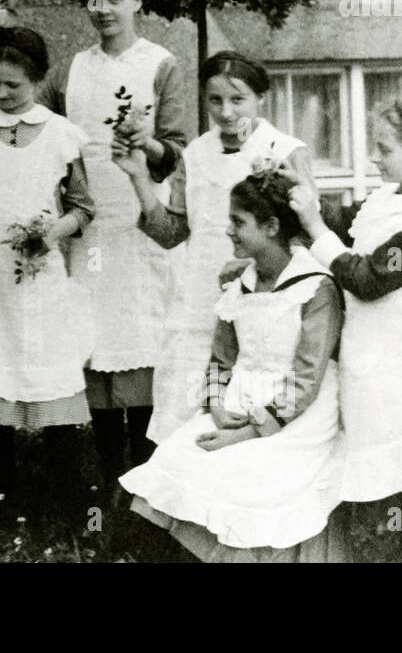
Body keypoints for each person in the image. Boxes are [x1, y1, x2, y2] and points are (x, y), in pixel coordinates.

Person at [120, 168, 347, 562]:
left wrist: (246, 435)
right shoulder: (240, 283)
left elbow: (307, 378)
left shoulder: (316, 286)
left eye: (238, 222)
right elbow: (221, 359)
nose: (229, 230)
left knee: (245, 471)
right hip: (240, 400)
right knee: (176, 455)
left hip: (295, 412)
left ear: (272, 226)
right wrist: (218, 406)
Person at [289, 96, 402, 562]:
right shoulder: (383, 200)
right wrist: (304, 192)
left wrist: (313, 225)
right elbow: (342, 227)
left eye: (384, 149)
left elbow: (371, 278)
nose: (374, 157)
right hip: (377, 364)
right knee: (391, 484)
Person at [38, 0, 187, 492]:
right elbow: (43, 130)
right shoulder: (72, 69)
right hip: (91, 224)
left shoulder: (161, 64)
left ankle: (149, 484)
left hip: (140, 219)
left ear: (137, 3)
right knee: (96, 339)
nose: (102, 10)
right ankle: (108, 478)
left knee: (143, 332)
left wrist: (143, 142)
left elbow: (174, 151)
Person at [0, 27, 96, 523]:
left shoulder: (62, 135)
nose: (1, 95)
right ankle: (2, 495)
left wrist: (52, 232)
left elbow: (83, 207)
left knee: (47, 370)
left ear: (37, 80)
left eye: (13, 86)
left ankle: (70, 502)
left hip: (37, 274)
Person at [117, 51, 316, 443]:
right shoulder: (195, 154)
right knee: (186, 408)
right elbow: (172, 232)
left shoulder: (285, 150)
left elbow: (305, 235)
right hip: (197, 302)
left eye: (237, 99)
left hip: (263, 302)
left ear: (260, 98)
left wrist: (252, 271)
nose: (226, 112)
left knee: (243, 407)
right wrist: (140, 178)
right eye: (215, 100)